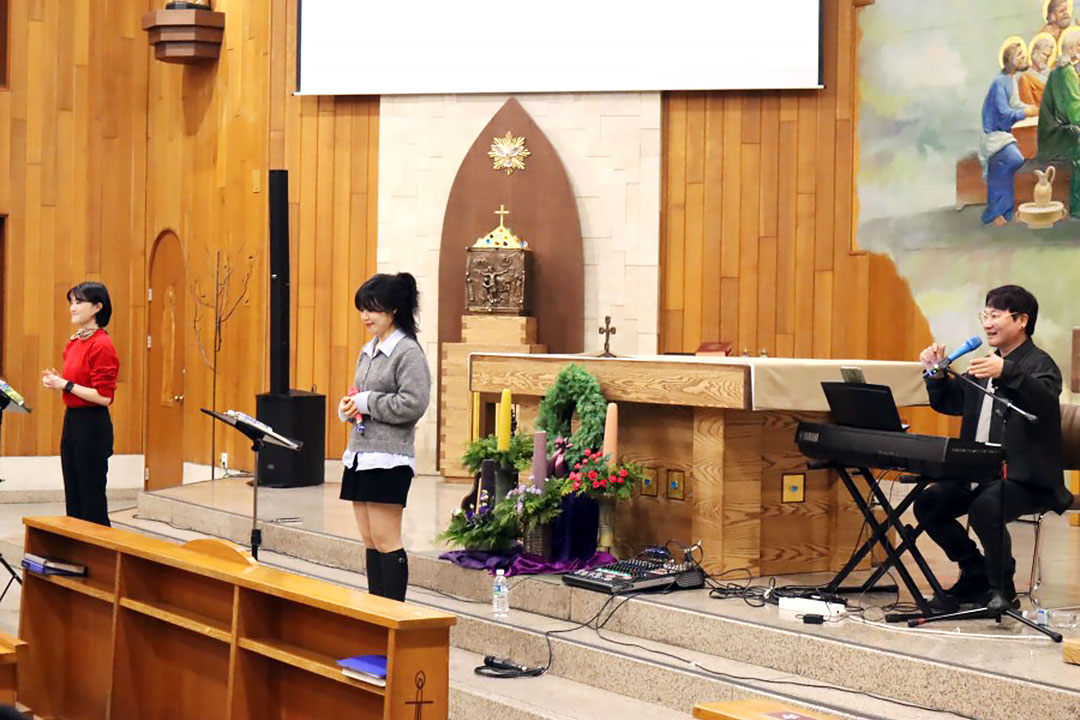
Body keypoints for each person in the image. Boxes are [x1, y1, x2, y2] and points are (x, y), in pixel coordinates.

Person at [915, 285, 1072, 612]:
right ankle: (974, 571)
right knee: (929, 504)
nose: (987, 323)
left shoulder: (1040, 364)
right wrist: (936, 375)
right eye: (984, 315)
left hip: (1024, 479)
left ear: (1021, 320)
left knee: (986, 508)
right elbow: (952, 402)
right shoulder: (986, 364)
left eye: (996, 315)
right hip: (977, 473)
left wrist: (1009, 372)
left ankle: (1003, 587)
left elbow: (1043, 402)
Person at [338, 273, 430, 602]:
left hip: (388, 459)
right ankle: (376, 612)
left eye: (373, 309)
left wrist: (368, 403)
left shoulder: (407, 352)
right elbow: (361, 394)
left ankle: (394, 616)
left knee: (387, 539)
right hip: (360, 455)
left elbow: (414, 403)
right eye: (362, 309)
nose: (365, 316)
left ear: (393, 309)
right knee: (370, 540)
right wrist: (349, 407)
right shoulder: (369, 349)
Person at [41, 282, 119, 527]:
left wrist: (65, 384)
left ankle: (98, 548)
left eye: (78, 302)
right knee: (74, 496)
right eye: (71, 303)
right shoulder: (74, 342)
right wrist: (58, 382)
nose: (72, 308)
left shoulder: (101, 344)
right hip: (73, 421)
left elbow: (104, 396)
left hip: (92, 425)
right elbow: (76, 384)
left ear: (97, 307)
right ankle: (76, 548)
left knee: (91, 498)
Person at [979, 39, 1038, 226]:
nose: (1024, 57)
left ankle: (1005, 213)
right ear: (1010, 60)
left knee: (1012, 163)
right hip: (993, 136)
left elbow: (1015, 104)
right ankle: (994, 212)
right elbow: (1004, 113)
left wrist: (1029, 108)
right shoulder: (999, 83)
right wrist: (1024, 113)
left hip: (1003, 134)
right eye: (1019, 55)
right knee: (1013, 159)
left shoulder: (1010, 79)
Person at [1036, 26, 1080, 216]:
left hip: (1058, 134)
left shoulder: (1063, 71)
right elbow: (1075, 112)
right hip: (1056, 137)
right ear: (1075, 49)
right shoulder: (1066, 72)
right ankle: (1078, 206)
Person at [1018, 33, 1056, 106]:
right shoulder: (1025, 78)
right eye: (1044, 54)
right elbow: (1028, 106)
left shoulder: (1051, 74)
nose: (1046, 58)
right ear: (1035, 52)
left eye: (1048, 56)